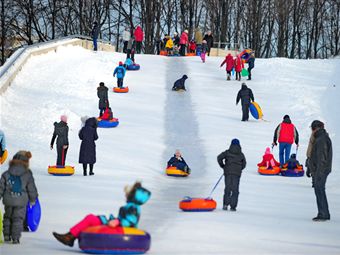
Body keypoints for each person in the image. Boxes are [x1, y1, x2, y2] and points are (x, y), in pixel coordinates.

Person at [52, 182, 151, 247]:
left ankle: (70, 237)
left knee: (90, 218)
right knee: (90, 218)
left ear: (133, 196)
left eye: (127, 194)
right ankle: (70, 236)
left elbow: (131, 221)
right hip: (115, 224)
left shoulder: (133, 207)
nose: (125, 195)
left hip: (120, 227)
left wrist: (118, 221)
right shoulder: (131, 206)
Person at [0, 151, 38, 244]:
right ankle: (15, 237)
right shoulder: (27, 174)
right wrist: (33, 199)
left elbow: (1, 187)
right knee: (18, 218)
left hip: (8, 199)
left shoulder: (6, 173)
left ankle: (6, 235)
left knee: (8, 216)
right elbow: (31, 188)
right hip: (21, 201)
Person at [307, 120, 332, 222]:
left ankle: (323, 213)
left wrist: (319, 172)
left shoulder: (321, 139)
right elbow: (314, 155)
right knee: (319, 190)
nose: (312, 131)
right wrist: (310, 167)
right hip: (319, 170)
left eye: (312, 129)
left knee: (319, 190)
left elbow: (321, 157)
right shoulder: (319, 138)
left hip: (321, 170)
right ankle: (323, 213)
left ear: (316, 128)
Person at [217, 139, 246, 211]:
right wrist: (239, 169)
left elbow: (219, 157)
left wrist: (223, 166)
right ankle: (233, 206)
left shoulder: (227, 152)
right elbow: (244, 164)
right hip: (237, 174)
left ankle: (225, 205)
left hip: (228, 173)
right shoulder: (241, 155)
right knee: (235, 190)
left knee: (228, 188)